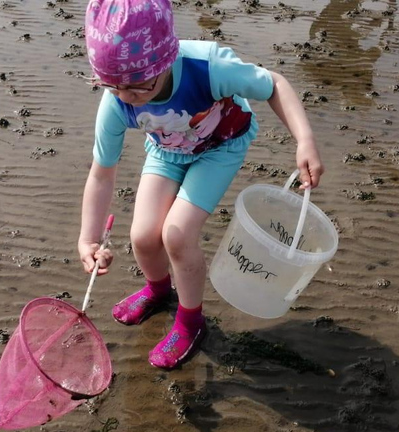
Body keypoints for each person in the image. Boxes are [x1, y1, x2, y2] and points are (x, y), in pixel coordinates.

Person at [77, 0, 325, 369]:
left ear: (166, 60)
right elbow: (102, 173)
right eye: (113, 86)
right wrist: (89, 238)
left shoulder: (208, 67)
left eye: (139, 87)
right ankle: (158, 291)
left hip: (221, 146)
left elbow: (274, 84)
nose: (127, 97)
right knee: (142, 236)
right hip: (168, 150)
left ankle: (191, 321)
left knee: (176, 235)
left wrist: (304, 140)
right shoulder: (117, 101)